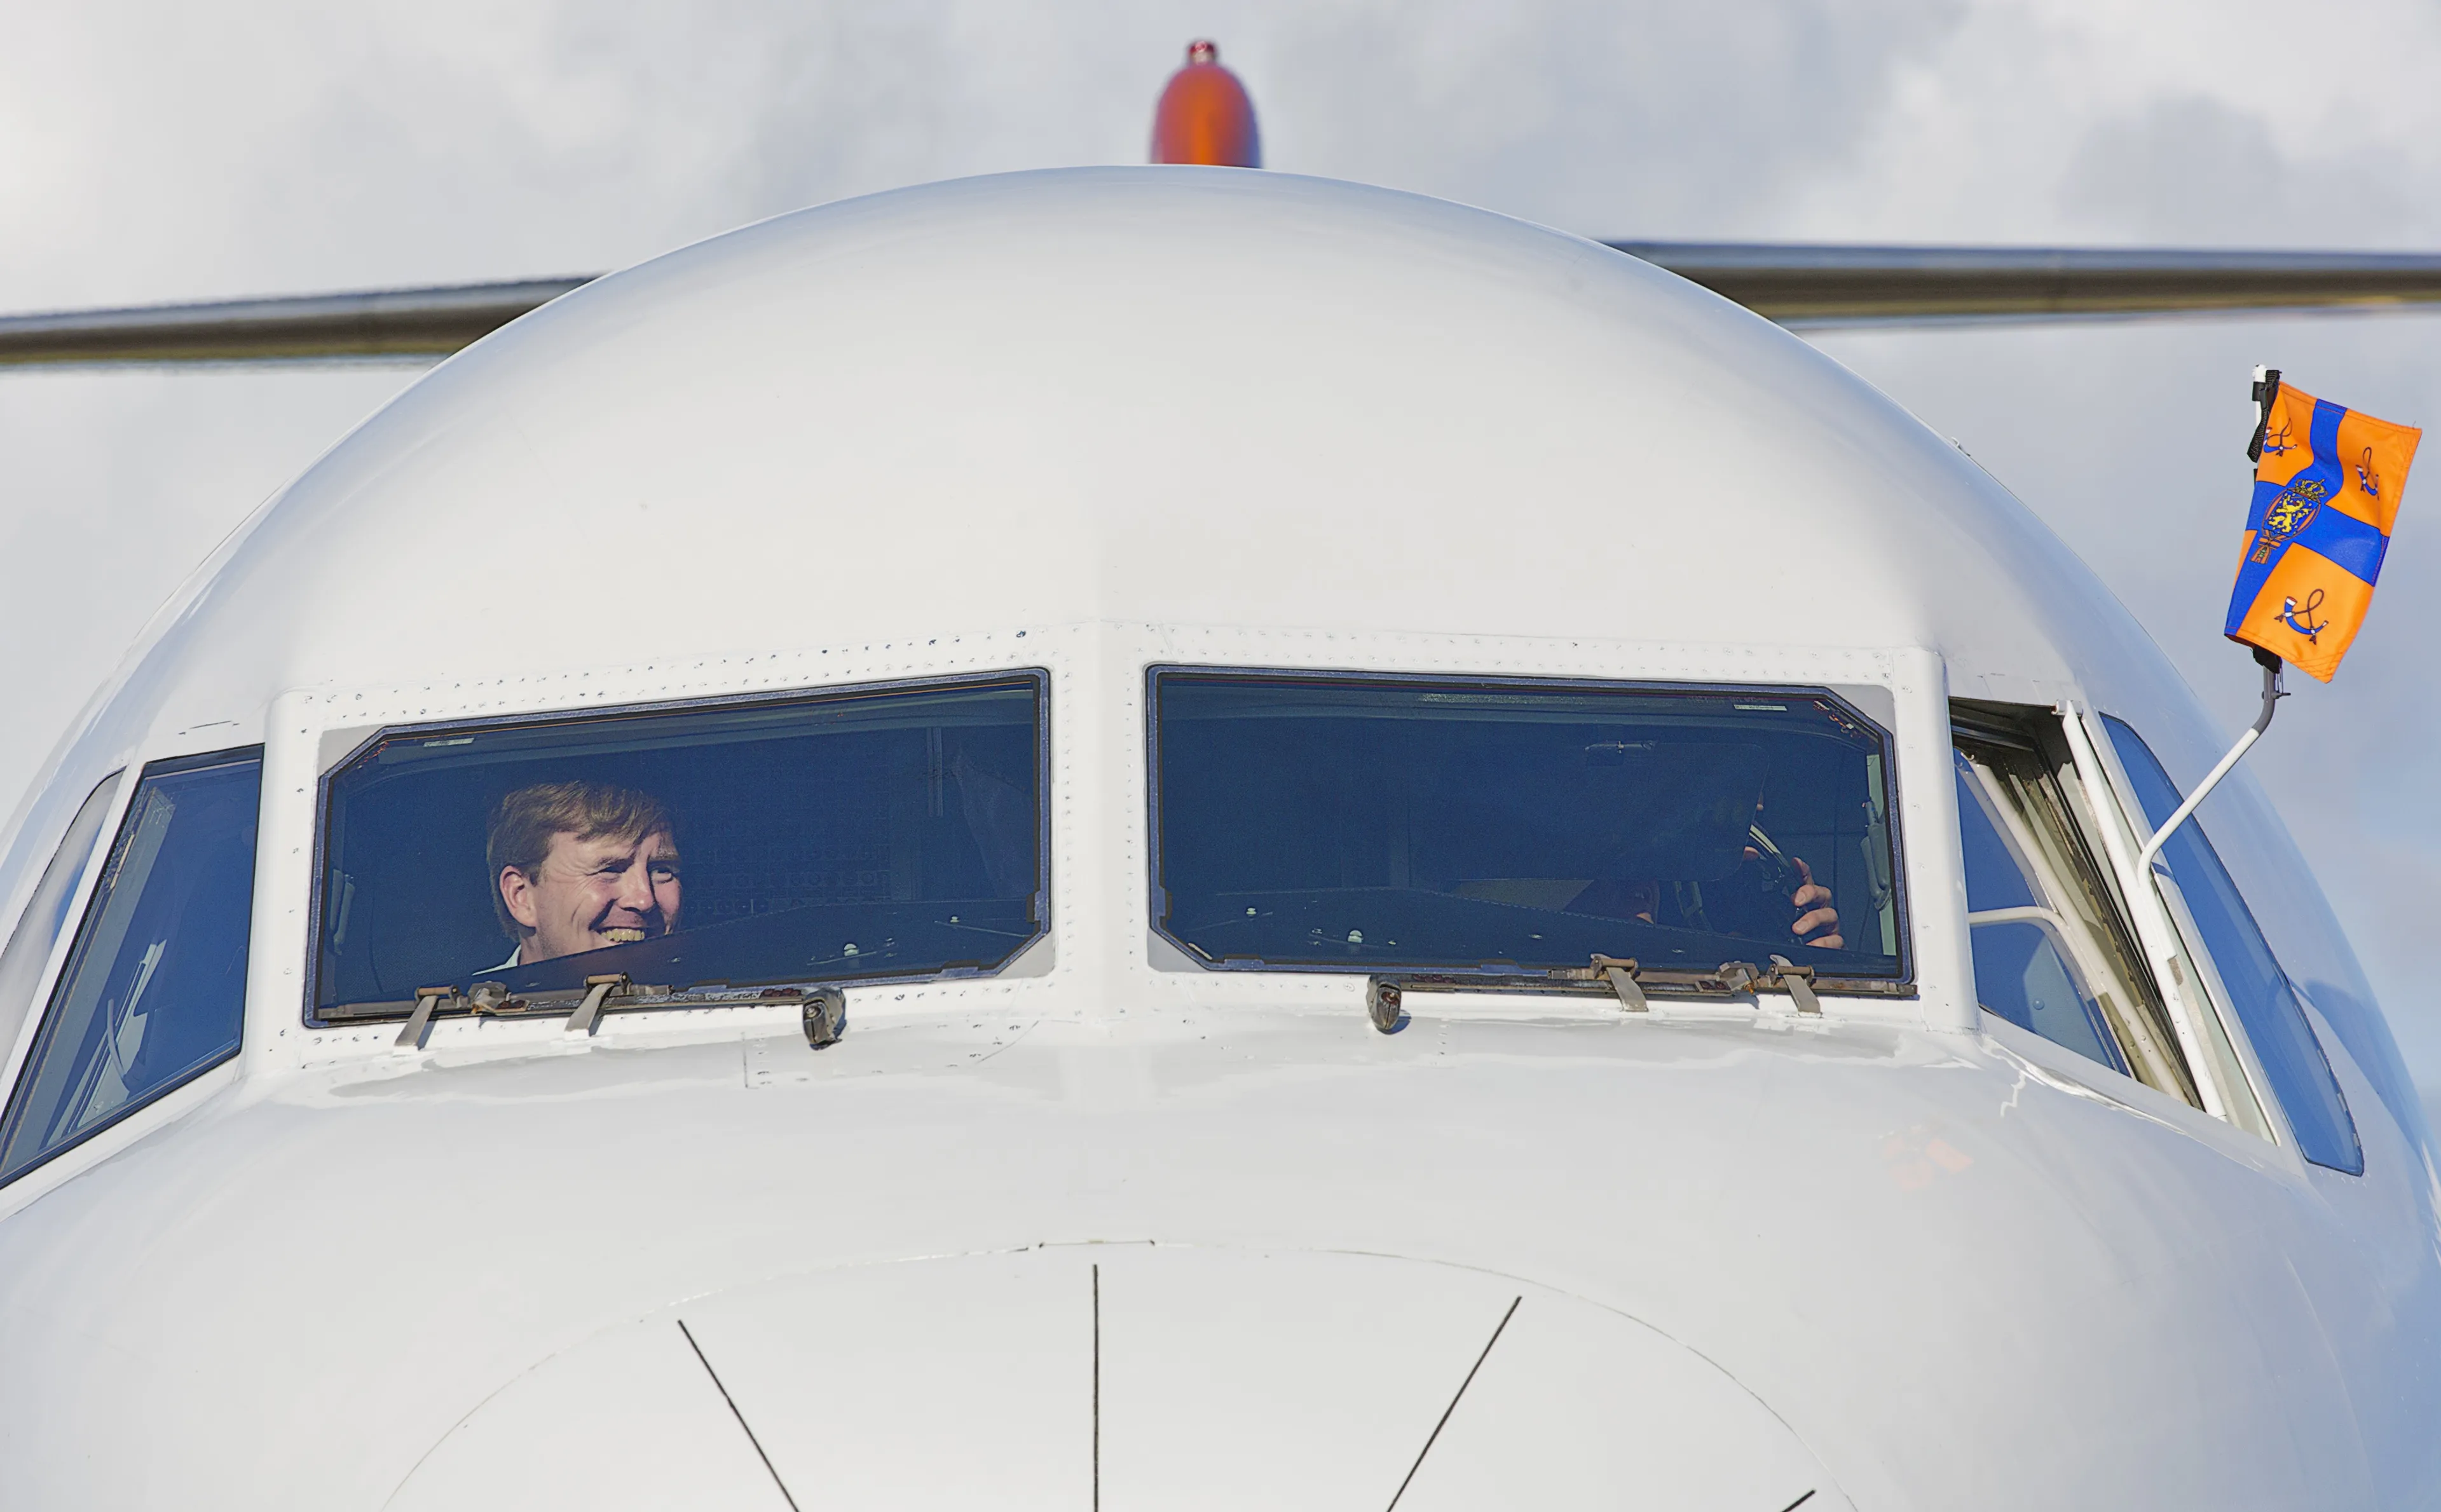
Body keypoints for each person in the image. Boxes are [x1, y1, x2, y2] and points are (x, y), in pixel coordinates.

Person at [486, 780, 683, 968]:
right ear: (521, 896)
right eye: (609, 870)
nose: (644, 901)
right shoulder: (465, 1004)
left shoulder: (709, 999)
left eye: (661, 871)